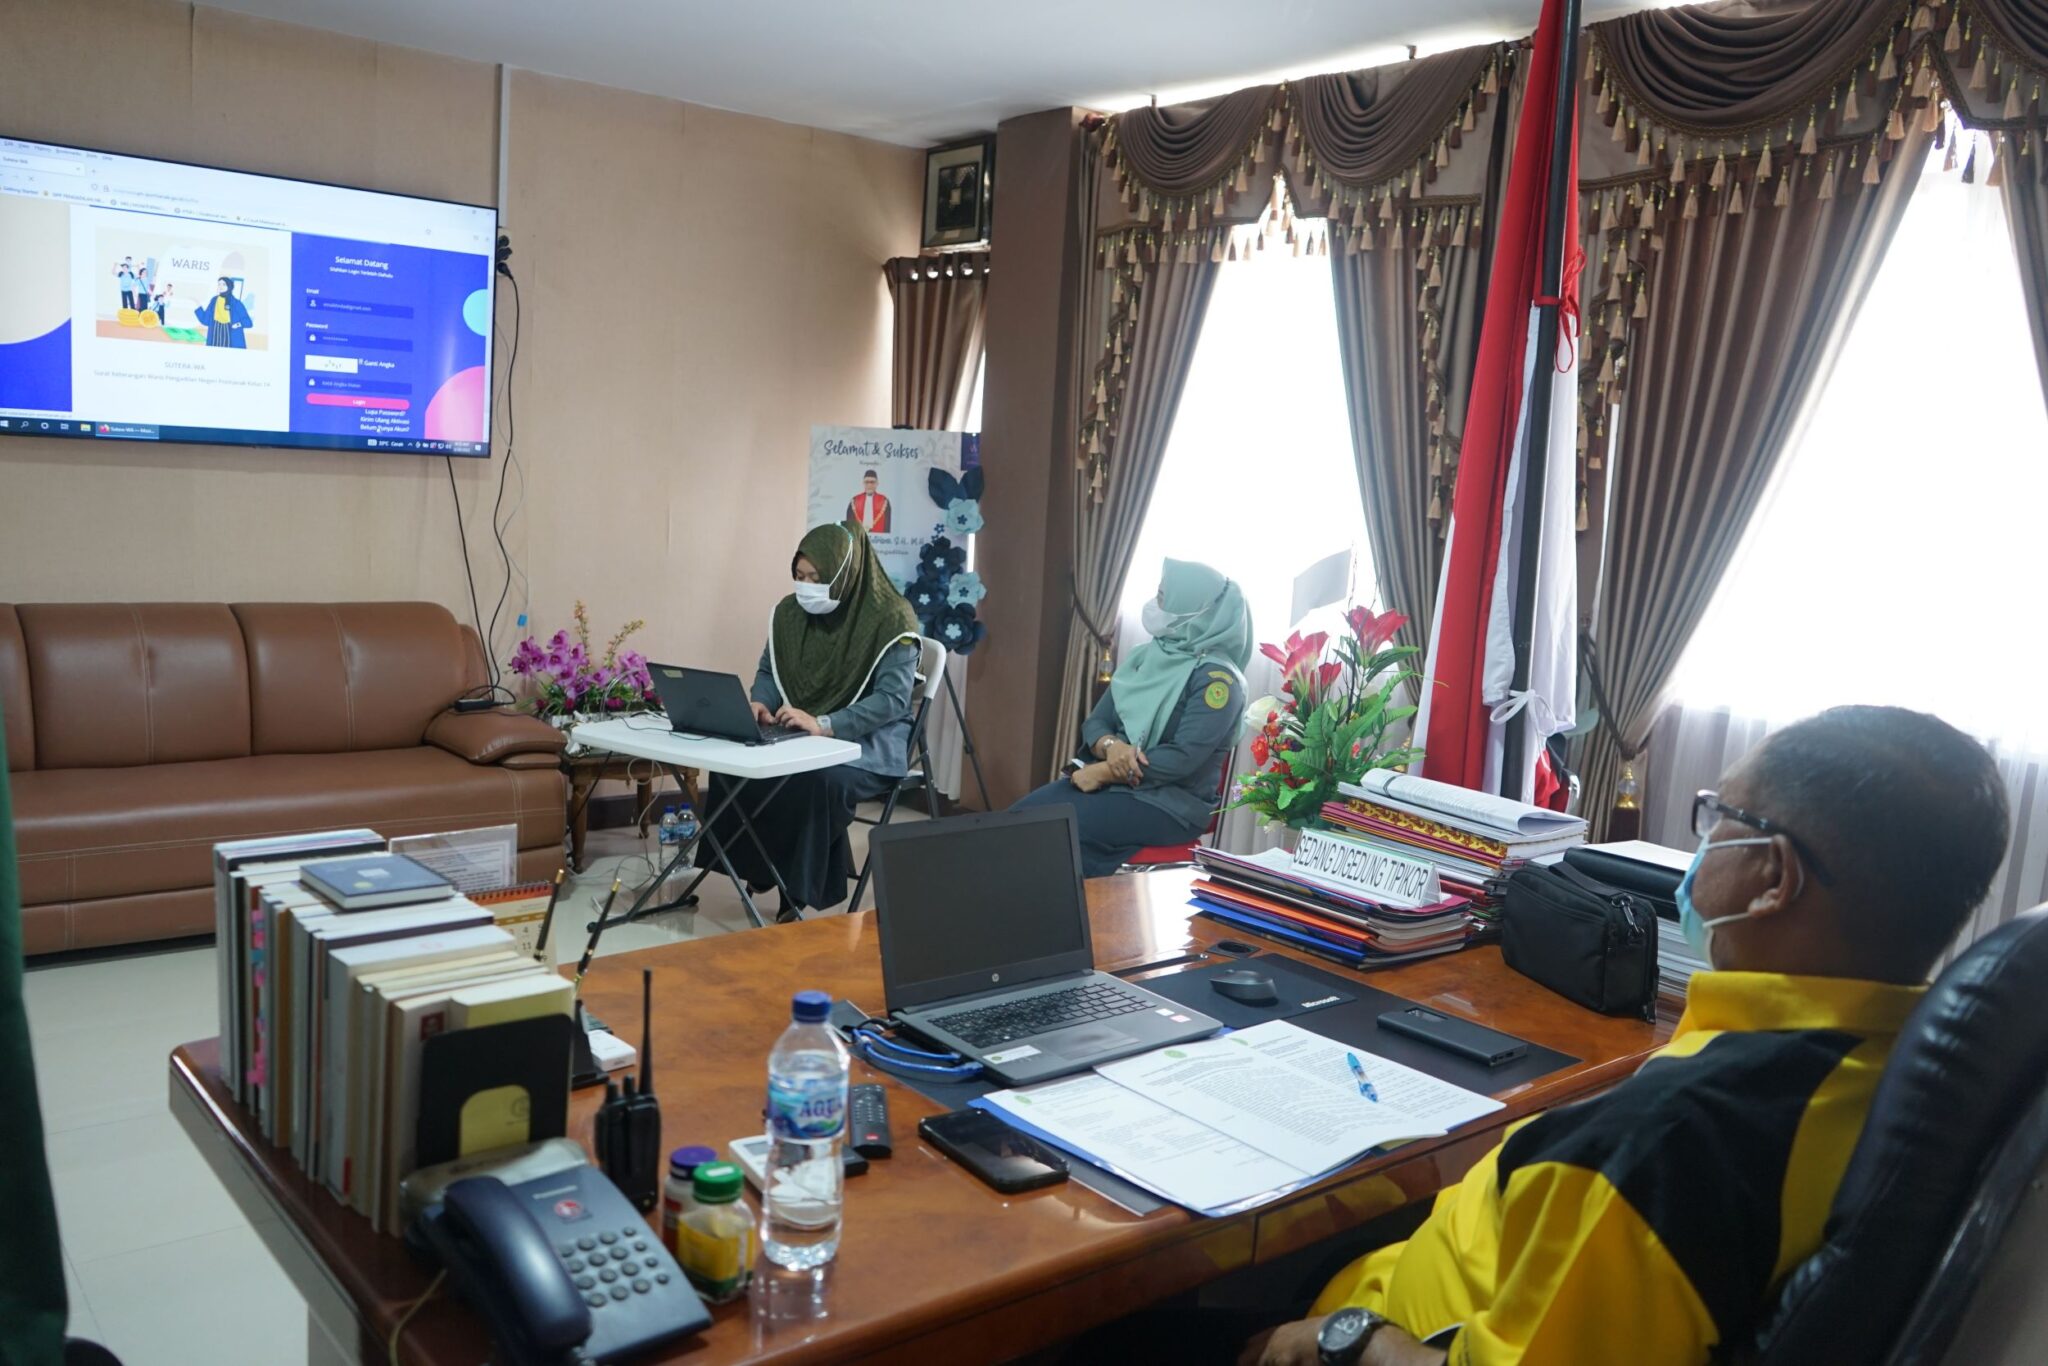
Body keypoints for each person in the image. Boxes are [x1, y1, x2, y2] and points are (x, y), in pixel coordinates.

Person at [1237, 705, 2010, 1366]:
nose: (1702, 843)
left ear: (1773, 878)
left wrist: (1351, 1340)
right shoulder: (1908, 1070)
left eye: (1721, 817)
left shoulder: (1661, 1148)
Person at [697, 520, 919, 920]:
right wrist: (759, 702)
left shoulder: (892, 619)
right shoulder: (789, 613)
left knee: (813, 780)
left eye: (817, 578)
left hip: (868, 743)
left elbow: (892, 700)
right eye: (799, 576)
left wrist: (826, 723)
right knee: (734, 765)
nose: (806, 587)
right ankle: (758, 867)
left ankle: (793, 892)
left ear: (845, 574)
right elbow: (769, 671)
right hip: (801, 730)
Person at [1012, 558, 1252, 877]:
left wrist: (1106, 772)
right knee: (1017, 822)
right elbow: (1096, 723)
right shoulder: (1148, 656)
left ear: (1192, 609)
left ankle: (1075, 905)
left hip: (1172, 804)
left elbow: (1182, 759)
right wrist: (1112, 747)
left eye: (1163, 597)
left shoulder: (1217, 682)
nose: (1155, 604)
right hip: (1119, 785)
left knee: (1055, 832)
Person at [197, 276, 252, 348]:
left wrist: (238, 324)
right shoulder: (214, 300)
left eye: (223, 284)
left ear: (229, 286)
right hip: (215, 332)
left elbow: (248, 322)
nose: (220, 286)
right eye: (219, 284)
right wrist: (197, 307)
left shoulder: (236, 303)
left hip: (230, 332)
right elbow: (206, 320)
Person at [846, 469, 891, 533]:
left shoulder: (884, 501)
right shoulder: (854, 501)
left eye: (872, 482)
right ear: (863, 483)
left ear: (877, 483)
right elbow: (849, 525)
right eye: (867, 482)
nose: (869, 485)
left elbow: (887, 525)